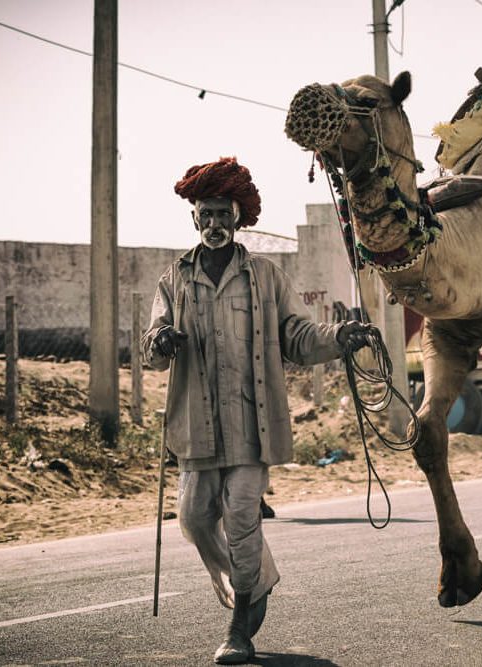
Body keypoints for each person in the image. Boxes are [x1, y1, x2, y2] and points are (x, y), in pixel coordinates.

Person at [142, 156, 372, 664]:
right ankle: (257, 578)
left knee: (241, 518)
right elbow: (150, 352)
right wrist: (161, 340)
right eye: (207, 214)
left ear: (238, 216)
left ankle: (239, 625)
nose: (215, 223)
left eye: (224, 213)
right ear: (194, 218)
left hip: (251, 424)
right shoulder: (173, 280)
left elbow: (299, 336)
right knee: (195, 519)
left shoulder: (267, 277)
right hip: (194, 427)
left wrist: (341, 336)